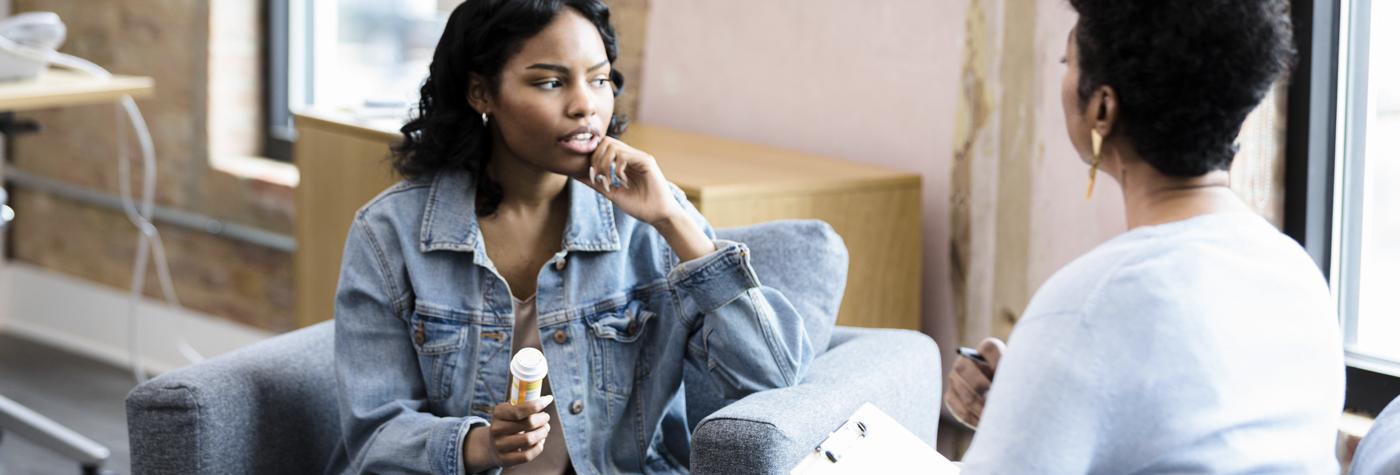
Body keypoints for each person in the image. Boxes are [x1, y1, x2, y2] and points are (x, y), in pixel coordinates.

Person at [325, 1, 813, 473]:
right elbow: (374, 433)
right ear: (481, 92)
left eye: (600, 79)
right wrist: (480, 446)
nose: (586, 105)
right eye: (551, 82)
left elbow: (773, 381)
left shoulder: (650, 224)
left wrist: (673, 221)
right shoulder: (390, 234)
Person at [945, 1, 1345, 472]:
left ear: (1102, 108)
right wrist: (1030, 402)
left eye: (1066, 63)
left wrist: (1040, 377)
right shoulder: (1298, 277)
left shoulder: (1083, 311)